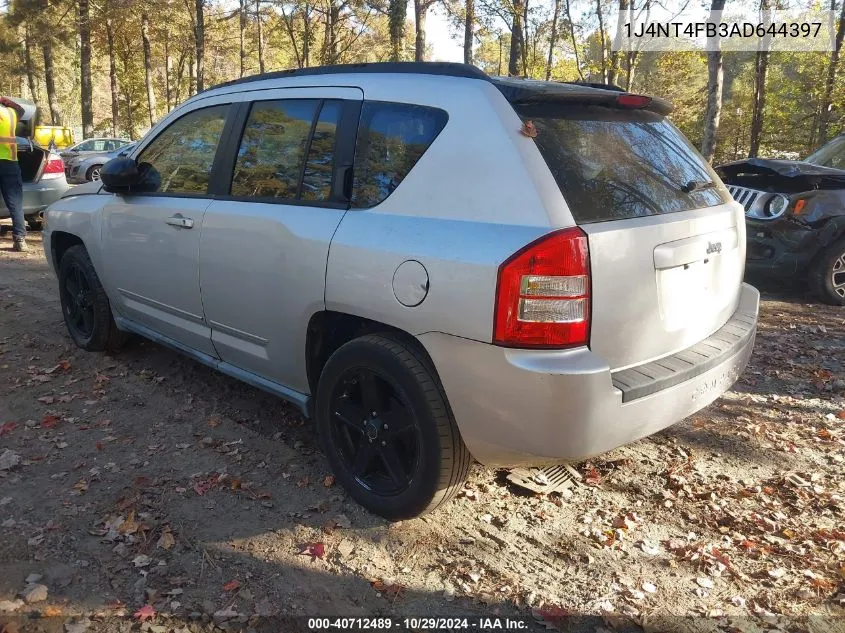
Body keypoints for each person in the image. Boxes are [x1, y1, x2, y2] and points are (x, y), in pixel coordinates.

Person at [0, 96, 27, 252]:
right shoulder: (11, 113)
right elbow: (21, 110)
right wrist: (5, 99)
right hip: (10, 162)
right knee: (15, 203)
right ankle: (20, 239)